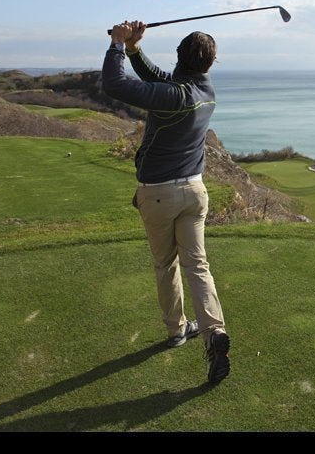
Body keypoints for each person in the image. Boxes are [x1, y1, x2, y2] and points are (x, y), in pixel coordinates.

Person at [101, 20, 230, 385]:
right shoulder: (206, 90)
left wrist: (116, 43)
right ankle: (213, 332)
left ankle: (176, 331)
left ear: (180, 57)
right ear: (210, 63)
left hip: (159, 194)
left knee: (165, 264)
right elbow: (159, 77)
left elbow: (114, 84)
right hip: (195, 192)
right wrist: (135, 49)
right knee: (198, 266)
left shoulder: (175, 95)